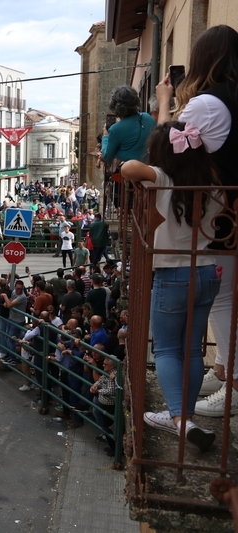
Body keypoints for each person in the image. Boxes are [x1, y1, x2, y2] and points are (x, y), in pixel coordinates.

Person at [121, 121, 221, 453]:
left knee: (165, 349)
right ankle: (186, 418)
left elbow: (127, 167)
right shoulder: (213, 185)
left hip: (172, 275)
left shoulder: (164, 180)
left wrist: (154, 163)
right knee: (192, 350)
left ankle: (178, 420)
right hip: (207, 272)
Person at [155, 25, 238, 418]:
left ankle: (234, 382)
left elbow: (165, 151)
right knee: (227, 296)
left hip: (221, 218)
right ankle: (223, 370)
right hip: (229, 213)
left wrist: (165, 100)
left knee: (224, 299)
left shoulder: (206, 103)